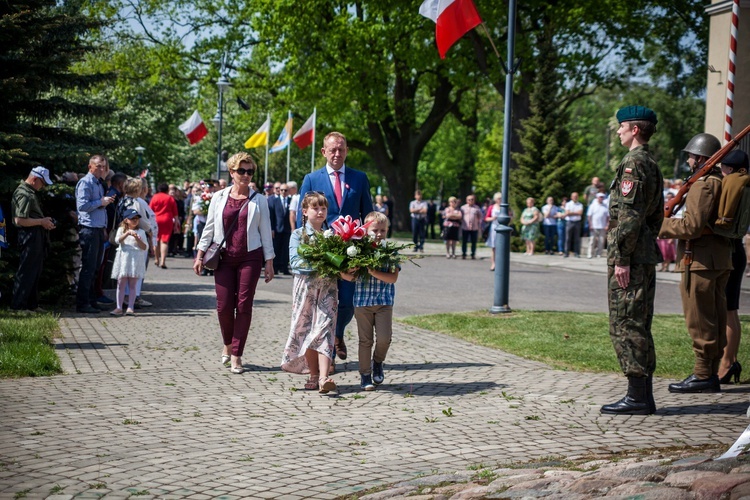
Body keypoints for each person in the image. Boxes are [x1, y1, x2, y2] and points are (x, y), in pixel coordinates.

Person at [601, 105, 663, 415]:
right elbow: (656, 216)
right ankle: (640, 395)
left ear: (635, 129)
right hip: (643, 254)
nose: (618, 131)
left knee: (626, 324)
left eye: (622, 126)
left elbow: (630, 215)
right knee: (637, 322)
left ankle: (638, 397)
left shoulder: (634, 164)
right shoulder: (650, 162)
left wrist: (623, 257)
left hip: (631, 259)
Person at [660, 132, 729, 394]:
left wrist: (660, 224)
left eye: (690, 156)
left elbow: (692, 226)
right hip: (718, 259)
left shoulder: (703, 184)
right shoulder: (720, 181)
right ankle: (710, 374)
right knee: (715, 316)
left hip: (698, 260)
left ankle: (702, 374)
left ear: (700, 157)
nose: (689, 160)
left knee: (700, 319)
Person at [194, 153, 275, 374]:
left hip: (250, 256)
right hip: (223, 258)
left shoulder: (259, 200)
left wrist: (269, 261)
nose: (246, 175)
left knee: (244, 305)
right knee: (223, 306)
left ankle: (237, 354)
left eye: (250, 171)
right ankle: (227, 343)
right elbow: (209, 228)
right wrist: (200, 254)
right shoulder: (219, 197)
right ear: (231, 173)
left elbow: (265, 232)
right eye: (241, 171)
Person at [297, 131, 374, 365]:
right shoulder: (312, 179)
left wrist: (369, 245)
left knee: (348, 301)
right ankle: (327, 356)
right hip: (323, 251)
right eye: (333, 149)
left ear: (347, 150)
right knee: (325, 303)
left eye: (341, 149)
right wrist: (306, 245)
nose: (337, 153)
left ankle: (338, 334)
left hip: (351, 250)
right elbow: (303, 216)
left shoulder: (359, 178)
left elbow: (368, 214)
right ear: (324, 152)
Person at [282, 192, 353, 393]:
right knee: (308, 333)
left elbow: (341, 264)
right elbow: (295, 263)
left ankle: (324, 378)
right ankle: (313, 374)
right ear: (305, 211)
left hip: (328, 290)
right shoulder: (298, 235)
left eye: (323, 208)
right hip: (306, 290)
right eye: (316, 208)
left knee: (324, 330)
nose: (320, 212)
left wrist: (348, 270)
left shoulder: (332, 236)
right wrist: (324, 264)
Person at [355, 211, 399, 390]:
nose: (379, 234)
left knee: (384, 338)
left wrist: (373, 272)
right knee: (365, 341)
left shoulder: (391, 250)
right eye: (375, 230)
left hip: (384, 301)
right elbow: (350, 276)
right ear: (366, 230)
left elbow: (393, 278)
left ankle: (378, 362)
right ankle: (365, 375)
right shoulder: (358, 249)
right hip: (362, 301)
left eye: (383, 230)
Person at [717, 150, 750, 384]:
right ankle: (730, 361)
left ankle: (727, 364)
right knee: (730, 310)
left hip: (731, 249)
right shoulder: (743, 185)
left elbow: (726, 222)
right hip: (735, 250)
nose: (722, 173)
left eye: (723, 168)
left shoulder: (737, 185)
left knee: (729, 311)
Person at [11, 166, 56, 312]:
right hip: (28, 235)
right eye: (42, 183)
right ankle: (19, 306)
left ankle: (32, 305)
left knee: (35, 270)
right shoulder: (24, 194)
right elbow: (19, 220)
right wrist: (41, 222)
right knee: (26, 270)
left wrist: (44, 220)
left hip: (35, 234)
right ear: (35, 179)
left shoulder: (30, 192)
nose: (42, 187)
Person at [75, 155, 116, 314]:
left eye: (103, 166)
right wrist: (101, 202)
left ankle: (91, 300)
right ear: (90, 166)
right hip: (89, 229)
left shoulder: (99, 183)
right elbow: (82, 206)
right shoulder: (85, 183)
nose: (101, 169)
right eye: (98, 166)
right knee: (88, 267)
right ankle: (83, 303)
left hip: (98, 229)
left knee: (95, 268)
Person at [110, 209, 148, 316]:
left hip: (135, 259)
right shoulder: (121, 230)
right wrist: (127, 234)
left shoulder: (141, 232)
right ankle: (118, 307)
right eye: (132, 219)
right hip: (123, 258)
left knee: (133, 284)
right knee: (121, 283)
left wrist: (137, 239)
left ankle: (130, 307)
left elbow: (144, 247)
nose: (135, 221)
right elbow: (117, 241)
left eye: (137, 219)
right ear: (126, 220)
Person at [149, 183, 179, 269]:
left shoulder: (154, 197)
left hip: (156, 219)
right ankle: (163, 261)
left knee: (156, 240)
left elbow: (150, 209)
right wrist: (176, 223)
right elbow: (175, 213)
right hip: (167, 220)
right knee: (164, 241)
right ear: (167, 190)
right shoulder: (170, 198)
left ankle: (156, 259)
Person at [657, 192, 676, 272]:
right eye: (667, 197)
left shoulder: (675, 207)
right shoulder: (663, 207)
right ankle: (662, 266)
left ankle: (666, 267)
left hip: (669, 233)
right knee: (662, 251)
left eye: (670, 197)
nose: (668, 199)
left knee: (668, 252)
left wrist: (672, 237)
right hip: (662, 232)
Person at [460, 194, 483, 260]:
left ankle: (473, 254)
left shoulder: (477, 208)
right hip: (465, 227)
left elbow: (480, 217)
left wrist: (479, 223)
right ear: (466, 200)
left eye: (472, 199)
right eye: (469, 200)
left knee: (474, 242)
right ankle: (464, 254)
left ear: (474, 200)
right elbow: (460, 216)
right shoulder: (463, 208)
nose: (470, 201)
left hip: (474, 227)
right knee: (464, 241)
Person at [586, 193, 609, 258]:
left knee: (601, 241)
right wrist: (590, 225)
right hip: (594, 226)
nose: (601, 198)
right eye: (600, 197)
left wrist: (607, 225)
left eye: (602, 197)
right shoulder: (593, 205)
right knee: (592, 240)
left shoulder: (605, 206)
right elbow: (589, 216)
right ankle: (590, 253)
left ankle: (599, 254)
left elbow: (608, 217)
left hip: (602, 226)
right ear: (597, 197)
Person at [484, 193, 502, 270]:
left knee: (501, 246)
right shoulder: (492, 207)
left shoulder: (504, 207)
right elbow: (486, 218)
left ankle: (501, 263)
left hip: (502, 227)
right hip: (494, 227)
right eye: (498, 198)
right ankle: (493, 263)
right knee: (494, 247)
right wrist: (492, 218)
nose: (500, 200)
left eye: (501, 198)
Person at [564, 193, 583, 258]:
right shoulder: (568, 204)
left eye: (576, 196)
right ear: (571, 197)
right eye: (574, 196)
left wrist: (571, 212)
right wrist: (576, 213)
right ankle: (566, 253)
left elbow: (580, 213)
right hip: (569, 222)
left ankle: (576, 253)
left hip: (577, 222)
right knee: (568, 238)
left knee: (577, 238)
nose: (575, 197)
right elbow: (567, 213)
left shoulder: (580, 204)